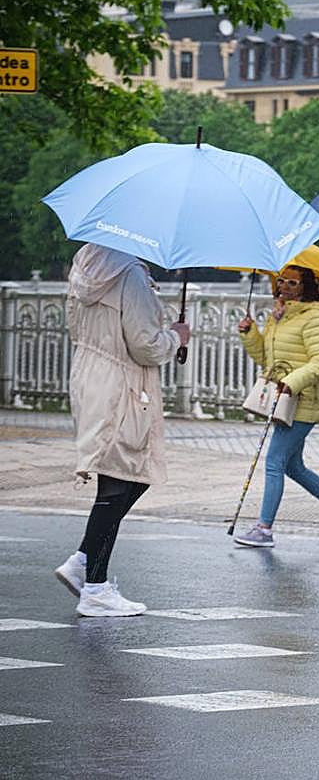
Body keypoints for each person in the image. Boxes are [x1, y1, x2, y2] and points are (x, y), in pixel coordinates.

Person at [53, 244, 191, 617]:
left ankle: (85, 561)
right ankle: (95, 586)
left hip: (89, 374)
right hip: (122, 382)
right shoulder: (129, 274)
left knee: (128, 473)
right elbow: (145, 345)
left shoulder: (85, 262)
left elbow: (77, 325)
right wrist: (177, 336)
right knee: (121, 479)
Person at [232, 266, 319, 549]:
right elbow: (266, 357)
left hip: (302, 401)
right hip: (282, 401)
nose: (285, 287)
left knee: (274, 461)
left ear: (307, 286)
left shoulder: (315, 316)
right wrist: (249, 334)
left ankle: (264, 528)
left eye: (293, 282)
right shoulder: (280, 314)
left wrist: (292, 381)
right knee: (293, 466)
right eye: (281, 281)